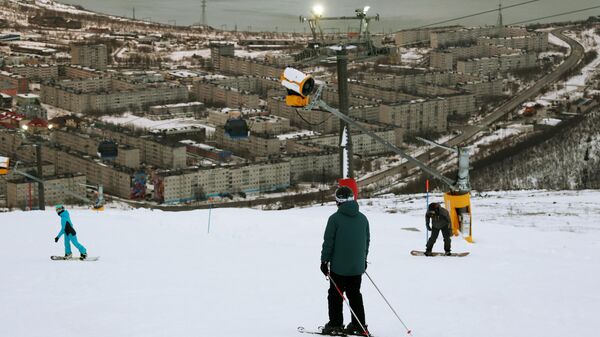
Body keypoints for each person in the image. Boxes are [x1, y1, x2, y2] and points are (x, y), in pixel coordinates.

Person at [320, 186, 370, 336]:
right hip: (357, 266)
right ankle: (359, 325)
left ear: (338, 201)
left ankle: (335, 324)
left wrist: (324, 261)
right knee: (355, 294)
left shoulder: (334, 219)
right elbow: (366, 241)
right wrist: (363, 259)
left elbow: (329, 241)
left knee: (335, 295)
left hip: (339, 268)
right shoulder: (363, 218)